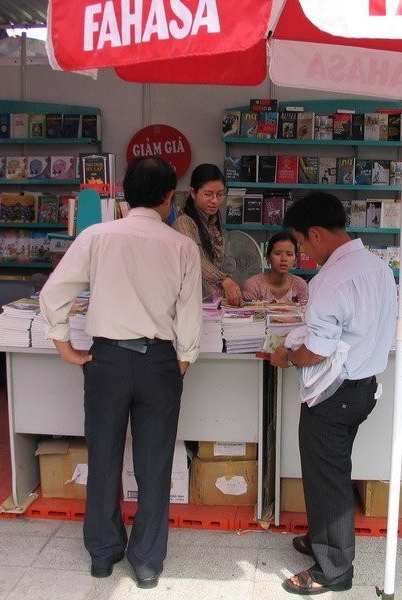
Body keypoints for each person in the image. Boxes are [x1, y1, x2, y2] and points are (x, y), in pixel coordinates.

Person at [38, 156, 202, 589]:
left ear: (126, 193)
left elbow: (53, 294)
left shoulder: (96, 235)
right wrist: (183, 360)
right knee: (154, 464)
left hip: (106, 360)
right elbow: (190, 314)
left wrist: (65, 347)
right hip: (159, 362)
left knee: (104, 457)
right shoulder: (182, 246)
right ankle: (146, 562)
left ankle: (103, 553)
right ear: (169, 197)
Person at [269, 191, 397, 595]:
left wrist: (288, 356)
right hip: (364, 388)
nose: (302, 253)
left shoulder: (329, 280)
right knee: (330, 470)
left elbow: (318, 350)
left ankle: (333, 569)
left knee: (327, 478)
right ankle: (321, 537)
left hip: (333, 393)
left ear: (316, 233)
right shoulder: (379, 267)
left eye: (301, 243)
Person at [172, 163, 243, 306]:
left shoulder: (214, 221)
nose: (215, 200)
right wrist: (224, 280)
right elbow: (196, 258)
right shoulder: (184, 222)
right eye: (208, 194)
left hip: (212, 302)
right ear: (193, 192)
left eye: (220, 194)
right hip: (192, 303)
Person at [242, 231, 309, 304]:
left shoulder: (300, 286)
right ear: (268, 257)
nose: (284, 259)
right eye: (278, 253)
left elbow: (306, 310)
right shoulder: (253, 285)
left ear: (295, 259)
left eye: (289, 254)